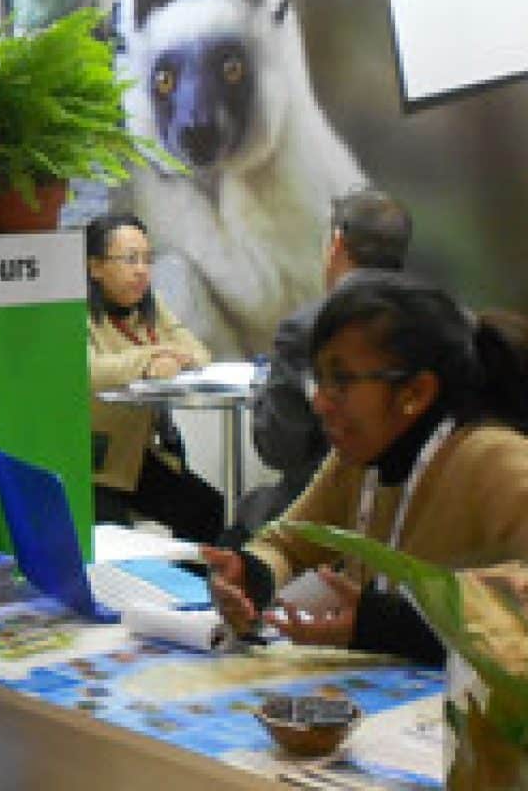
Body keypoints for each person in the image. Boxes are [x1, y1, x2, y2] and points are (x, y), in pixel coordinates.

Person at [204, 270, 528, 666]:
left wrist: (391, 626)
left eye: (341, 381)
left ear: (414, 393)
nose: (320, 403)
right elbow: (287, 544)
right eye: (318, 379)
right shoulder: (358, 461)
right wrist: (251, 578)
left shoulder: (493, 459)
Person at [235, 188, 413, 537]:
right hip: (416, 515)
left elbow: (280, 448)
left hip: (328, 518)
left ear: (336, 245)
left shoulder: (309, 330)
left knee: (243, 523)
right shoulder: (449, 322)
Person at [87, 213, 223, 542]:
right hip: (94, 464)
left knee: (208, 509)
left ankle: (195, 590)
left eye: (148, 260)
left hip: (137, 459)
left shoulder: (150, 306)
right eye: (130, 260)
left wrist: (170, 358)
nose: (141, 271)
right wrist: (149, 361)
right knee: (118, 542)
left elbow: (198, 352)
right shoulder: (75, 312)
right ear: (95, 267)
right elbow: (90, 371)